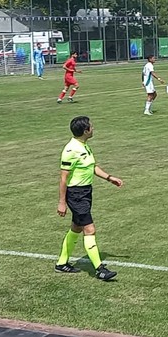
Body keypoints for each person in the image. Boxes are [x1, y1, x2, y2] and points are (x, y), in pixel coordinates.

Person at [55, 115, 123, 281]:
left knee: (76, 228)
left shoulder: (84, 146)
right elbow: (63, 178)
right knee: (89, 229)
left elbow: (92, 167)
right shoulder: (71, 150)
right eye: (91, 127)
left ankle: (61, 263)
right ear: (85, 131)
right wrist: (62, 202)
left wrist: (109, 178)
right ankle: (99, 269)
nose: (93, 128)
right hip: (76, 195)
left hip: (85, 192)